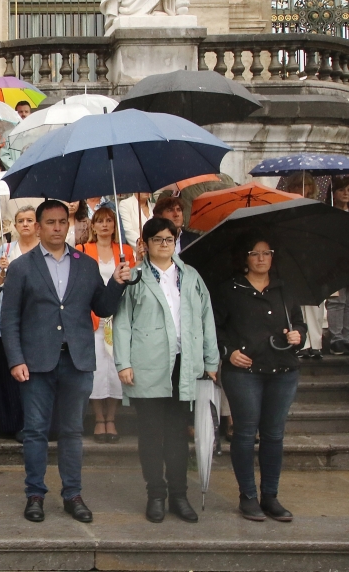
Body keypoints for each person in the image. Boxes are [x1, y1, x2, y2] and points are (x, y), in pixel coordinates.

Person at [0, 199, 130, 524]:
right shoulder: (21, 267)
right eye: (51, 222)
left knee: (72, 432)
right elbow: (9, 318)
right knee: (35, 431)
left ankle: (73, 494)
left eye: (62, 222)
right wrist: (15, 359)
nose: (58, 228)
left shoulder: (85, 265)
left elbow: (102, 308)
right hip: (35, 362)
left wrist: (116, 282)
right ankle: (35, 495)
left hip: (77, 360)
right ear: (40, 226)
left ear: (68, 225)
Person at [114, 217, 218, 523]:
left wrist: (210, 361)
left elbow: (205, 318)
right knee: (150, 434)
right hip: (147, 364)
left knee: (176, 435)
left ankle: (179, 495)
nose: (164, 245)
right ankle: (155, 494)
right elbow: (121, 322)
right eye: (157, 239)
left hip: (183, 365)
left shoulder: (190, 277)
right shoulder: (134, 277)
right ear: (144, 244)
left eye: (169, 239)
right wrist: (124, 363)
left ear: (176, 242)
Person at [213, 232, 305, 522]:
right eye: (255, 253)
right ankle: (248, 496)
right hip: (244, 372)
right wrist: (227, 352)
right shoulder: (229, 290)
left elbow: (299, 323)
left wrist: (297, 336)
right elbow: (214, 328)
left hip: (282, 370)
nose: (262, 258)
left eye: (267, 253)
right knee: (244, 433)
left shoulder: (284, 289)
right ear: (245, 258)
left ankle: (271, 496)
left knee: (274, 435)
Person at [76, 206, 135, 444]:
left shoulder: (125, 250)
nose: (105, 225)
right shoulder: (82, 250)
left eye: (109, 221)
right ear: (93, 225)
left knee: (116, 369)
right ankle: (99, 419)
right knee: (99, 372)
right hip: (94, 320)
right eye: (99, 221)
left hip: (119, 319)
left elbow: (133, 282)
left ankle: (112, 418)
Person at [0, 205, 39, 440]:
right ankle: (10, 423)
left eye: (30, 220)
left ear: (37, 225)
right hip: (6, 322)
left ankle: (32, 422)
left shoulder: (44, 250)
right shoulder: (6, 250)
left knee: (32, 377)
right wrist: (1, 274)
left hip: (35, 323)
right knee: (6, 375)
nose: (26, 224)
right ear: (16, 225)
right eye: (21, 220)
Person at [327, 176, 349, 356]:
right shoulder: (327, 214)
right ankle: (336, 338)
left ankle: (347, 336)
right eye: (342, 189)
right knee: (337, 301)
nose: (346, 193)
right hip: (335, 263)